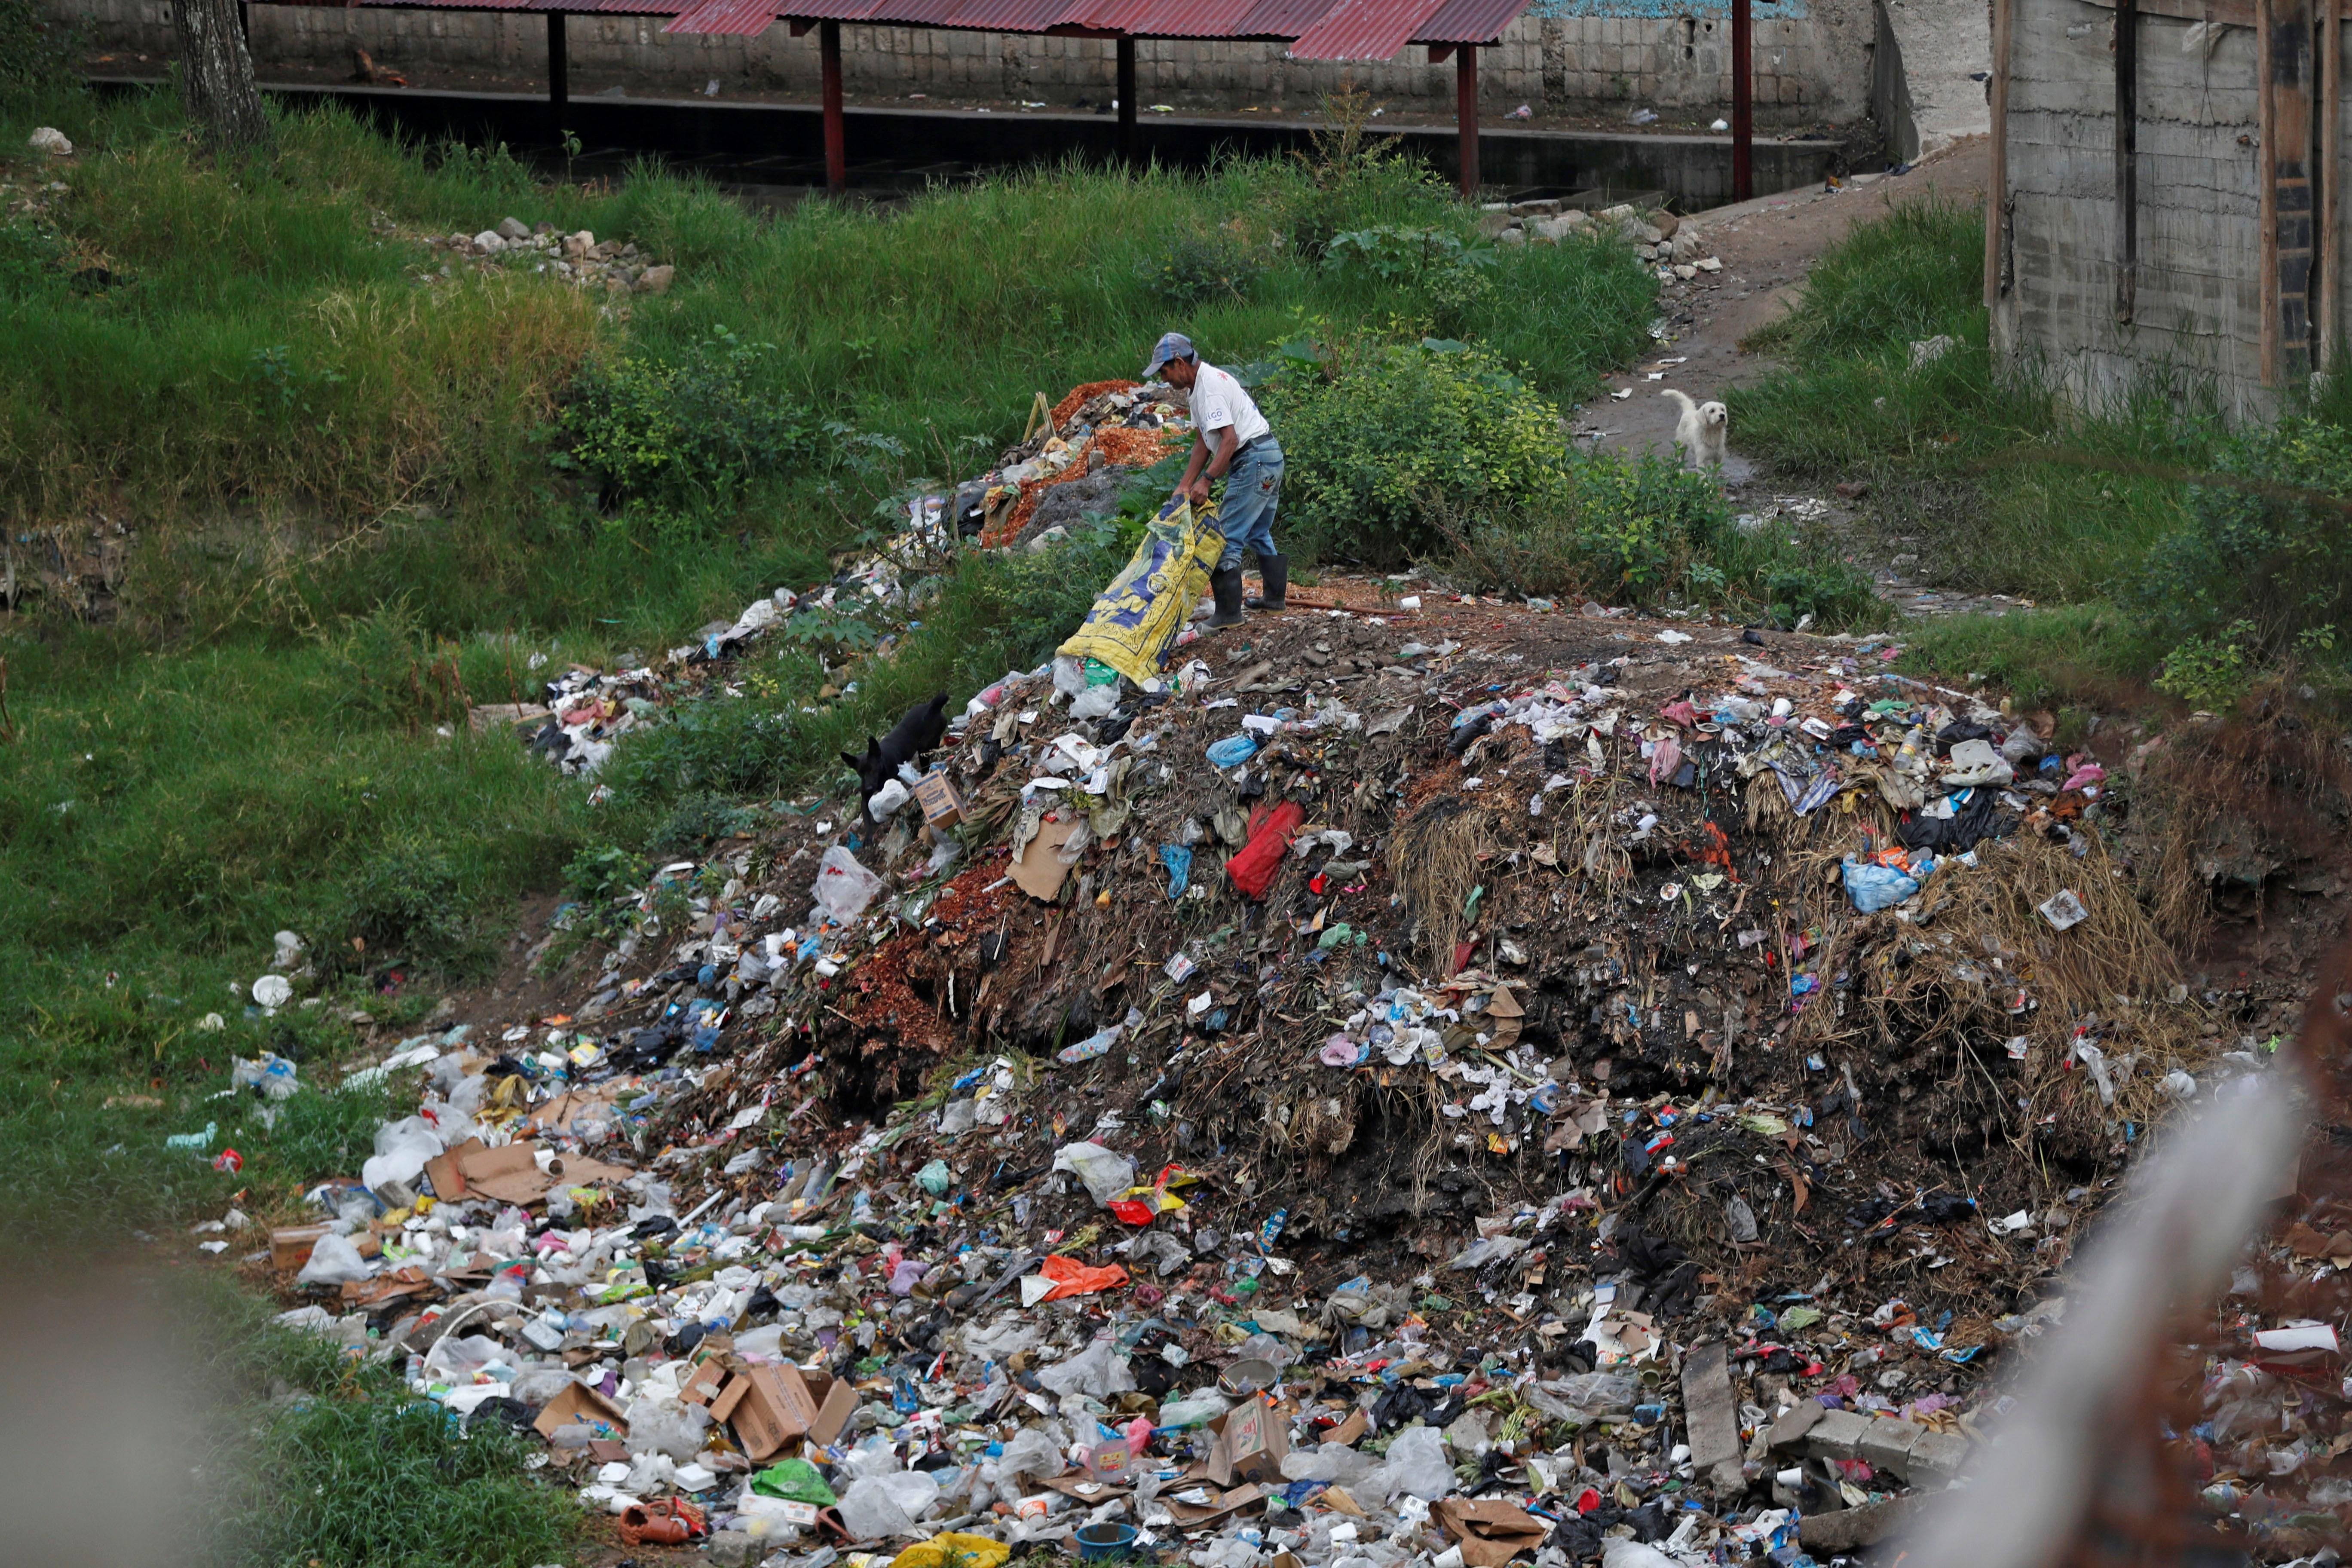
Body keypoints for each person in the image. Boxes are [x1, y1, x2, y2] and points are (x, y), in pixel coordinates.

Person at [1142, 331, 1286, 628]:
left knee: (1226, 537)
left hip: (1253, 458)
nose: (1165, 379)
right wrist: (1184, 485)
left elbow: (1230, 440)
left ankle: (1229, 615)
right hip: (1269, 455)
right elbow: (1202, 442)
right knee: (1258, 531)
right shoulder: (1198, 389)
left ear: (1180, 363)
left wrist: (1206, 481)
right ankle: (1274, 599)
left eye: (1166, 371)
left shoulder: (1209, 388)